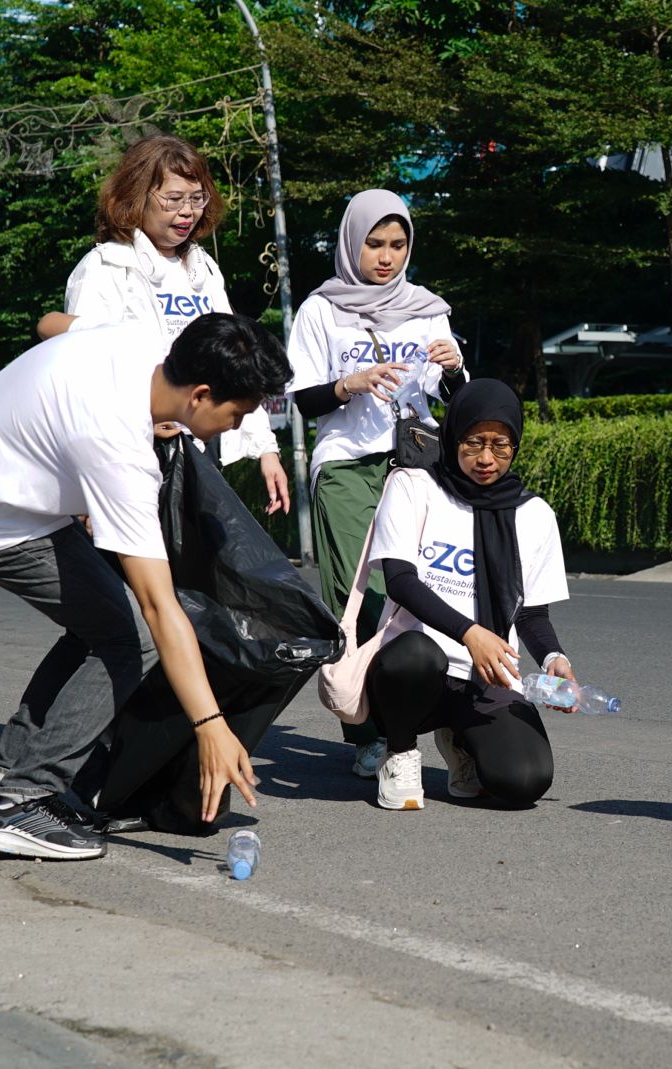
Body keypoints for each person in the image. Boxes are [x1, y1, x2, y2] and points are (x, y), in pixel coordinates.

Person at [0, 314, 292, 860]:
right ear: (202, 393)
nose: (236, 427)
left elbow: (52, 327)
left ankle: (6, 777)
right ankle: (22, 799)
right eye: (237, 413)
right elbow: (160, 607)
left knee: (101, 616)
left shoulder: (148, 340)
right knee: (133, 635)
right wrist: (211, 726)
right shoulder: (118, 451)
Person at [286, 188, 466, 778]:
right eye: (374, 243)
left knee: (419, 587)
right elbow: (301, 398)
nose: (386, 256)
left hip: (417, 462)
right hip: (345, 463)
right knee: (354, 593)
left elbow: (458, 398)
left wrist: (454, 368)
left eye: (398, 244)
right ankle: (364, 728)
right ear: (351, 242)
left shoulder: (427, 307)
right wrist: (351, 383)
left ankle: (412, 718)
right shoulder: (321, 309)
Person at [36, 135, 289, 515]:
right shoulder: (105, 266)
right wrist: (140, 421)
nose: (187, 211)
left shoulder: (203, 270)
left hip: (202, 454)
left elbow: (238, 361)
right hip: (136, 456)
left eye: (197, 198)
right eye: (173, 199)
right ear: (135, 196)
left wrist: (265, 449)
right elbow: (83, 365)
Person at [361, 379, 574, 811]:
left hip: (488, 674)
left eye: (501, 446)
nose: (485, 459)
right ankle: (399, 754)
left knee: (525, 781)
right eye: (473, 442)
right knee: (417, 654)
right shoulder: (413, 487)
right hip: (414, 673)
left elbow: (531, 615)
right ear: (453, 435)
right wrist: (469, 633)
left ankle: (461, 743)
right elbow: (400, 580)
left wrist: (555, 660)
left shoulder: (533, 514)